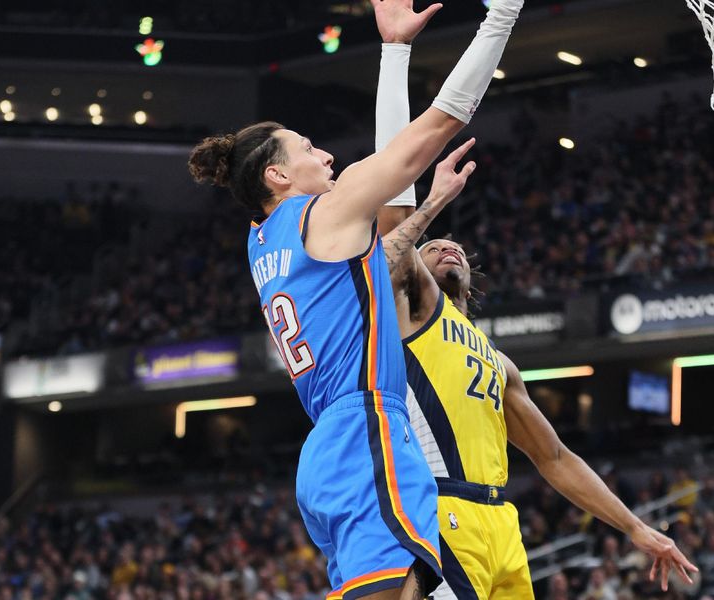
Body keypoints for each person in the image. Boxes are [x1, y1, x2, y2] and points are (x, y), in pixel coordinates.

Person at [187, 0, 526, 597]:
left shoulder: (266, 240)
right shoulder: (320, 212)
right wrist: (502, 15)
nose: (326, 155)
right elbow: (436, 127)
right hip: (365, 427)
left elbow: (389, 236)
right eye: (309, 149)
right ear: (277, 177)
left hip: (333, 445)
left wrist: (396, 53)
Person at [373, 20, 699, 600]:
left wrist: (635, 527)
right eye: (432, 245)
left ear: (472, 280)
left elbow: (554, 456)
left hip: (504, 527)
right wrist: (394, 53)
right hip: (443, 511)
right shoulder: (412, 308)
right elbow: (392, 190)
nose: (447, 244)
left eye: (458, 248)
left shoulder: (498, 362)